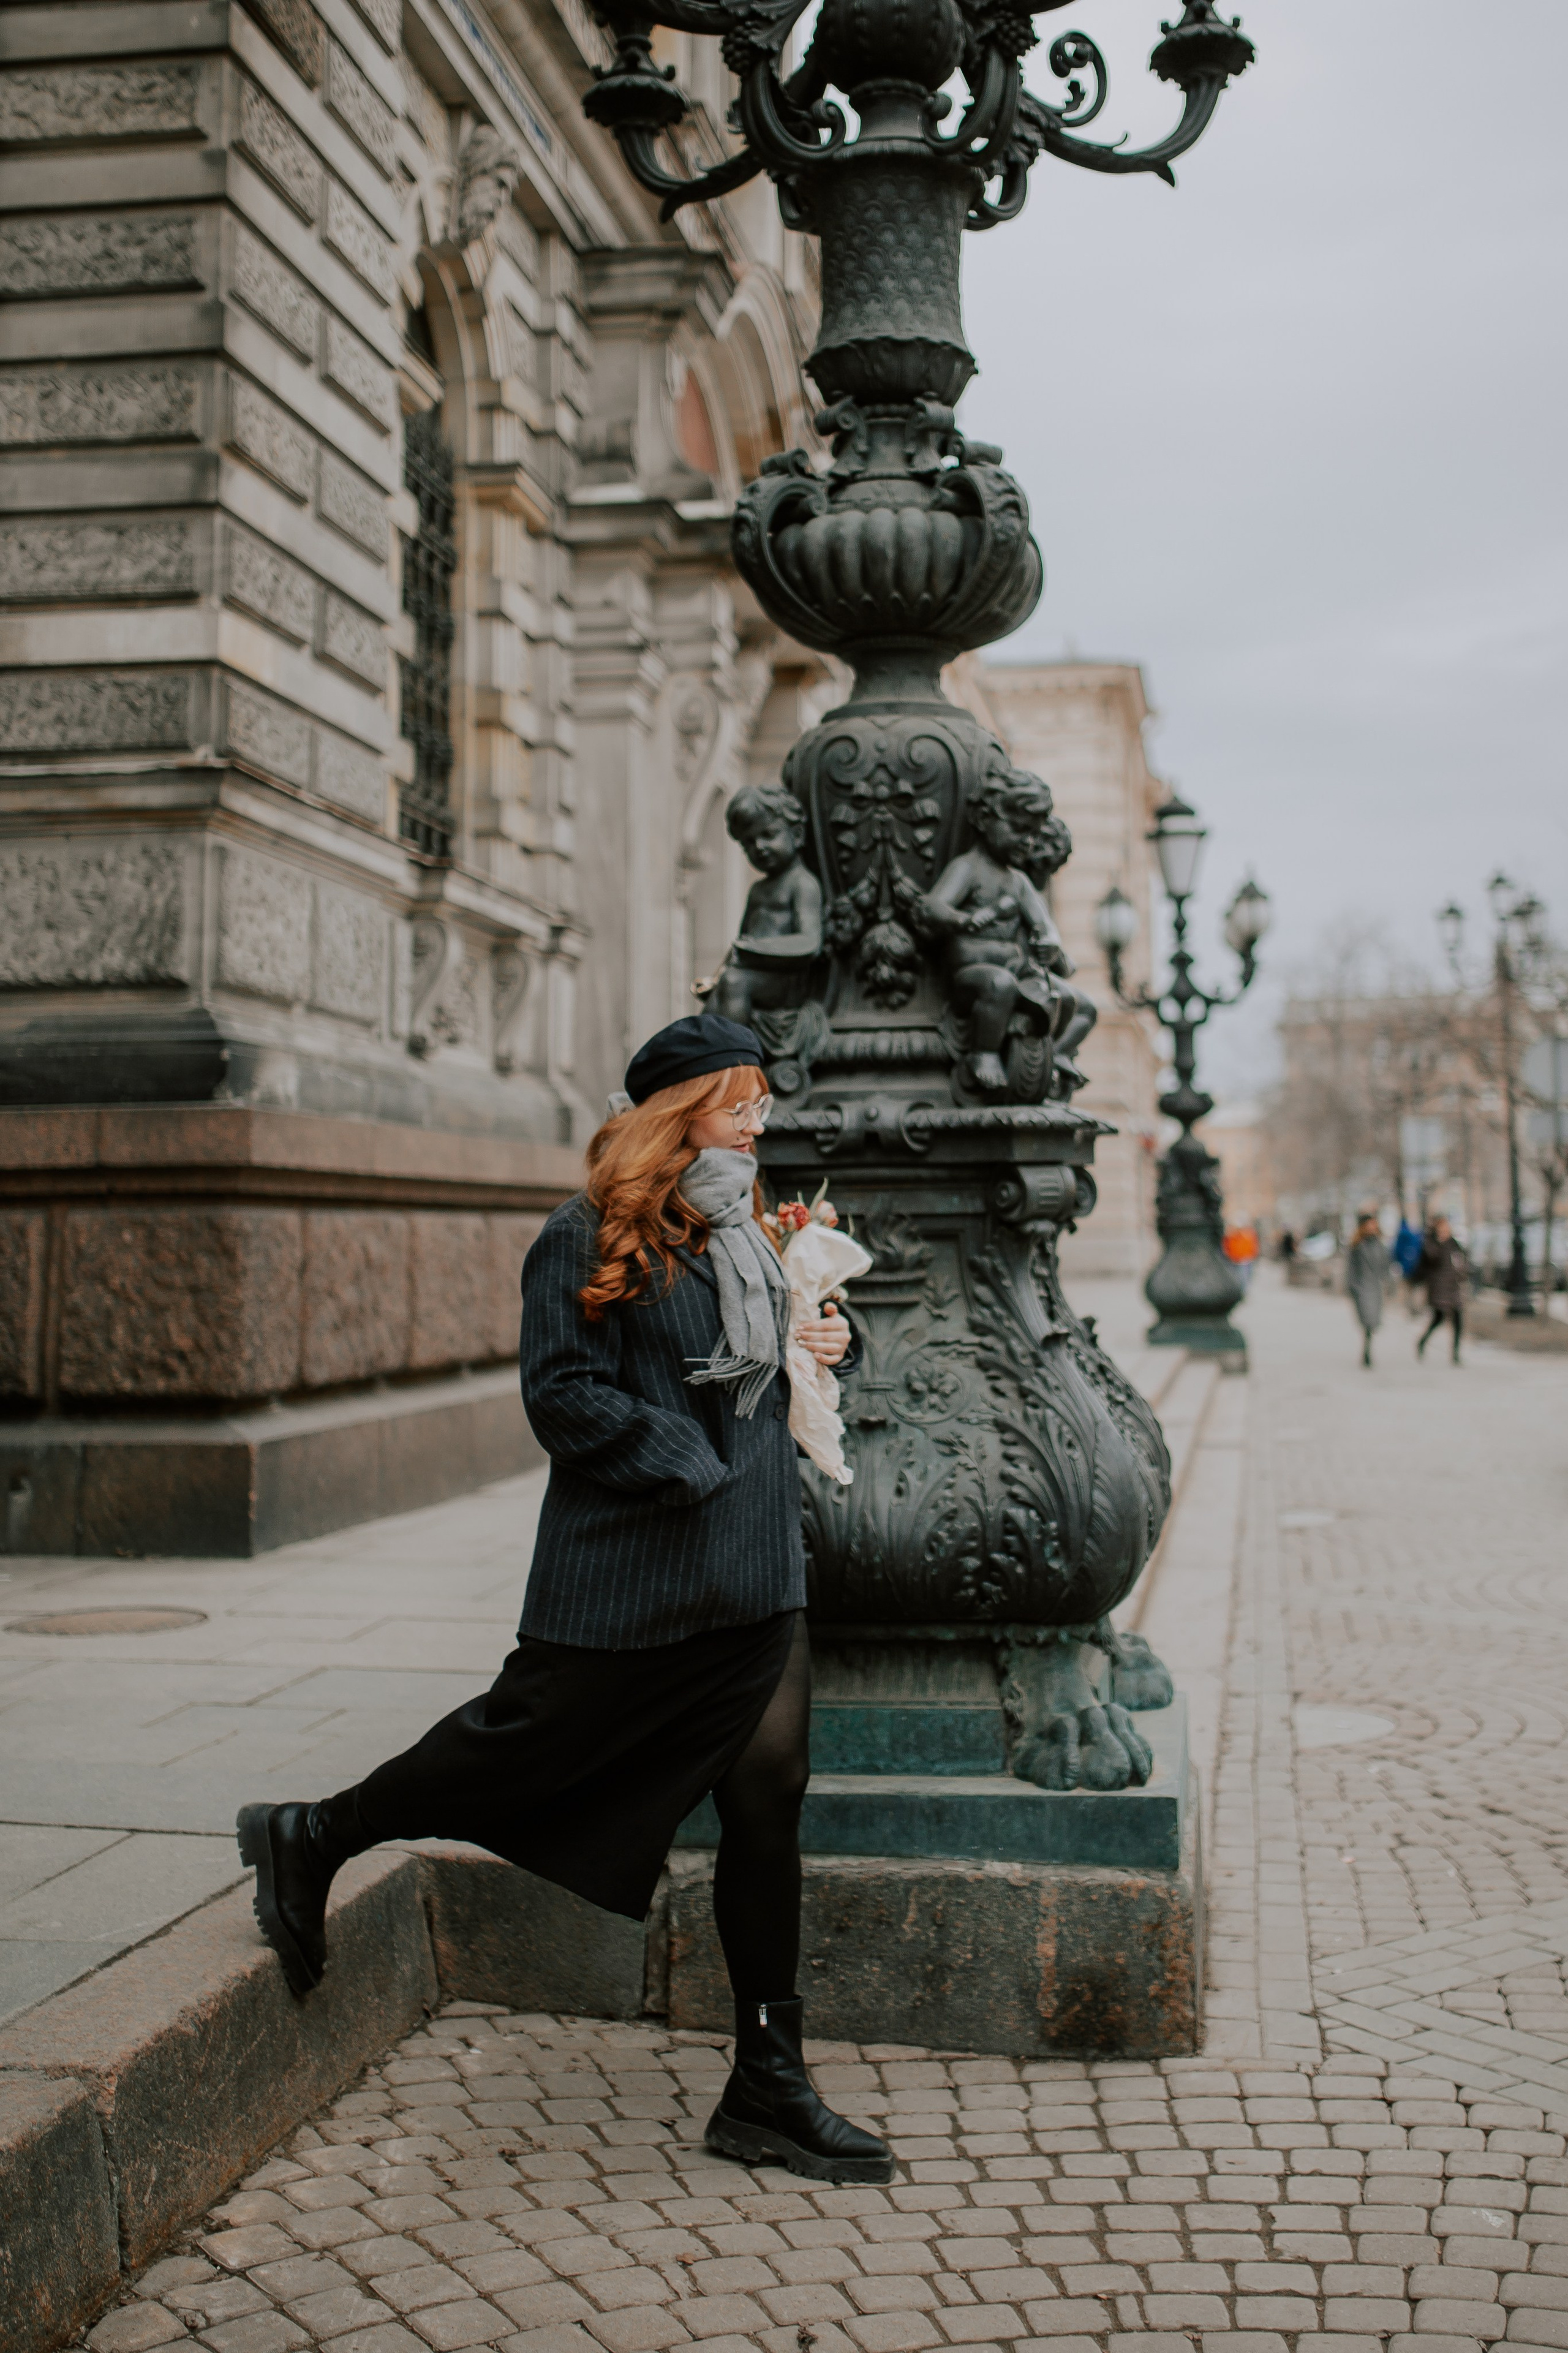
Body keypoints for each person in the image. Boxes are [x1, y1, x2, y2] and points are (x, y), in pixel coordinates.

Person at [235, 1012, 892, 2187]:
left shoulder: (749, 1228)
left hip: (754, 1564)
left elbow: (761, 1361)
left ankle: (767, 2079)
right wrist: (680, 1458)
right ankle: (315, 1830)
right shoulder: (585, 1231)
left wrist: (825, 1337)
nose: (761, 1116)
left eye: (761, 1100)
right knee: (514, 1745)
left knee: (770, 1795)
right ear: (678, 1109)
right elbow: (563, 1393)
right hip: (637, 1567)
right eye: (741, 1098)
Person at [1415, 1215, 1468, 1365]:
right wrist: (1438, 1241)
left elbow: (1462, 1260)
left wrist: (1462, 1275)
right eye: (1442, 1226)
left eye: (1447, 1226)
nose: (1446, 1229)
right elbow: (1430, 1259)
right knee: (1439, 1319)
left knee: (1458, 1318)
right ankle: (1423, 1341)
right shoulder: (1430, 1243)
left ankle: (1456, 1353)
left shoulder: (1454, 1244)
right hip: (1438, 1287)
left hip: (1454, 1286)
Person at [1346, 1211, 1386, 1368]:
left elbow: (1385, 1265)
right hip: (1361, 1286)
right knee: (1367, 1319)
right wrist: (1352, 1286)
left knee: (1373, 1321)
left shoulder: (1380, 1244)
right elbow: (1351, 1268)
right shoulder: (1357, 1245)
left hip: (1375, 1287)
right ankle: (1367, 1351)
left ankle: (1367, 1347)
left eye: (1374, 1224)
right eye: (1369, 1224)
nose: (1372, 1227)